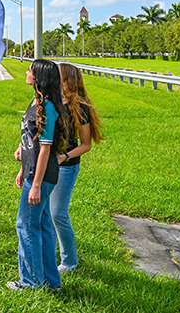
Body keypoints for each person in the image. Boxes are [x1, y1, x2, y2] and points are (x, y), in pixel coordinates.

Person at [8, 59, 69, 291]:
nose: (26, 73)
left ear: (39, 78)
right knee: (42, 227)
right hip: (33, 173)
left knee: (25, 227)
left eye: (30, 71)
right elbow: (30, 139)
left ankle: (30, 283)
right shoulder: (36, 101)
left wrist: (35, 184)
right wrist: (22, 165)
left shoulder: (49, 108)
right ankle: (52, 283)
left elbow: (45, 148)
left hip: (41, 178)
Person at [50, 63, 104, 273]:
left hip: (66, 167)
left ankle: (70, 262)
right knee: (47, 213)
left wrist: (64, 157)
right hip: (49, 165)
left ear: (67, 79)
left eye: (58, 74)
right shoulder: (53, 100)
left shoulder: (80, 107)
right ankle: (49, 254)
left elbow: (86, 144)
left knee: (58, 214)